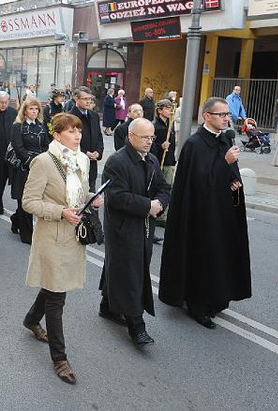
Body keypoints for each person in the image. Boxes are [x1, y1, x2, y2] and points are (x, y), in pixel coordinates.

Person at [22, 112, 104, 385]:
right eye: (70, 131)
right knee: (58, 297)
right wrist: (60, 212)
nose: (77, 135)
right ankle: (60, 359)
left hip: (73, 236)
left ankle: (31, 319)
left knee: (54, 287)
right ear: (57, 135)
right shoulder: (43, 162)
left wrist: (91, 201)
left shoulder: (81, 159)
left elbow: (81, 193)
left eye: (78, 130)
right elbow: (29, 202)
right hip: (52, 236)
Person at [158, 97, 251, 329]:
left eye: (227, 114)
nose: (226, 118)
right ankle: (198, 305)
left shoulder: (225, 140)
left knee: (221, 256)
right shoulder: (194, 144)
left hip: (222, 213)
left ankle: (217, 298)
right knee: (203, 259)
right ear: (207, 116)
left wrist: (233, 181)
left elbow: (226, 174)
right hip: (200, 217)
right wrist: (224, 163)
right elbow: (197, 183)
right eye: (221, 114)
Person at [99, 118, 171, 346]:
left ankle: (107, 305)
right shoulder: (116, 161)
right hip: (122, 228)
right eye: (145, 137)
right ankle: (136, 326)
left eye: (152, 137)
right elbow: (116, 196)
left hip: (144, 225)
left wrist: (159, 203)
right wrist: (147, 206)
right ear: (131, 136)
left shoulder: (150, 159)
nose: (150, 142)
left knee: (122, 266)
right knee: (131, 273)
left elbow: (163, 187)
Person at [9, 97, 49, 244]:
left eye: (36, 109)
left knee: (36, 198)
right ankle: (27, 235)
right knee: (24, 199)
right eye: (31, 109)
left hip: (39, 166)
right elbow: (18, 147)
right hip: (24, 167)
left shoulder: (41, 126)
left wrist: (43, 160)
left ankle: (15, 218)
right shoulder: (18, 126)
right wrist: (31, 162)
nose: (33, 111)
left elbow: (46, 145)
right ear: (25, 111)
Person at [69, 87, 104, 191]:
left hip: (92, 165)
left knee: (91, 197)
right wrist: (85, 153)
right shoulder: (70, 117)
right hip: (76, 165)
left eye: (90, 99)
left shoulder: (94, 115)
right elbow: (68, 142)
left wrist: (98, 151)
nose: (88, 101)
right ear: (76, 99)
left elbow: (99, 136)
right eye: (85, 99)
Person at [150, 99, 177, 230]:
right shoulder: (155, 125)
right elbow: (150, 146)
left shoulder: (170, 124)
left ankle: (163, 214)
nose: (170, 111)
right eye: (167, 108)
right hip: (160, 161)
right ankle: (161, 215)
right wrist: (160, 146)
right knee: (163, 187)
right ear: (160, 110)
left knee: (167, 187)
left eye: (170, 108)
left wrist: (173, 160)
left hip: (169, 161)